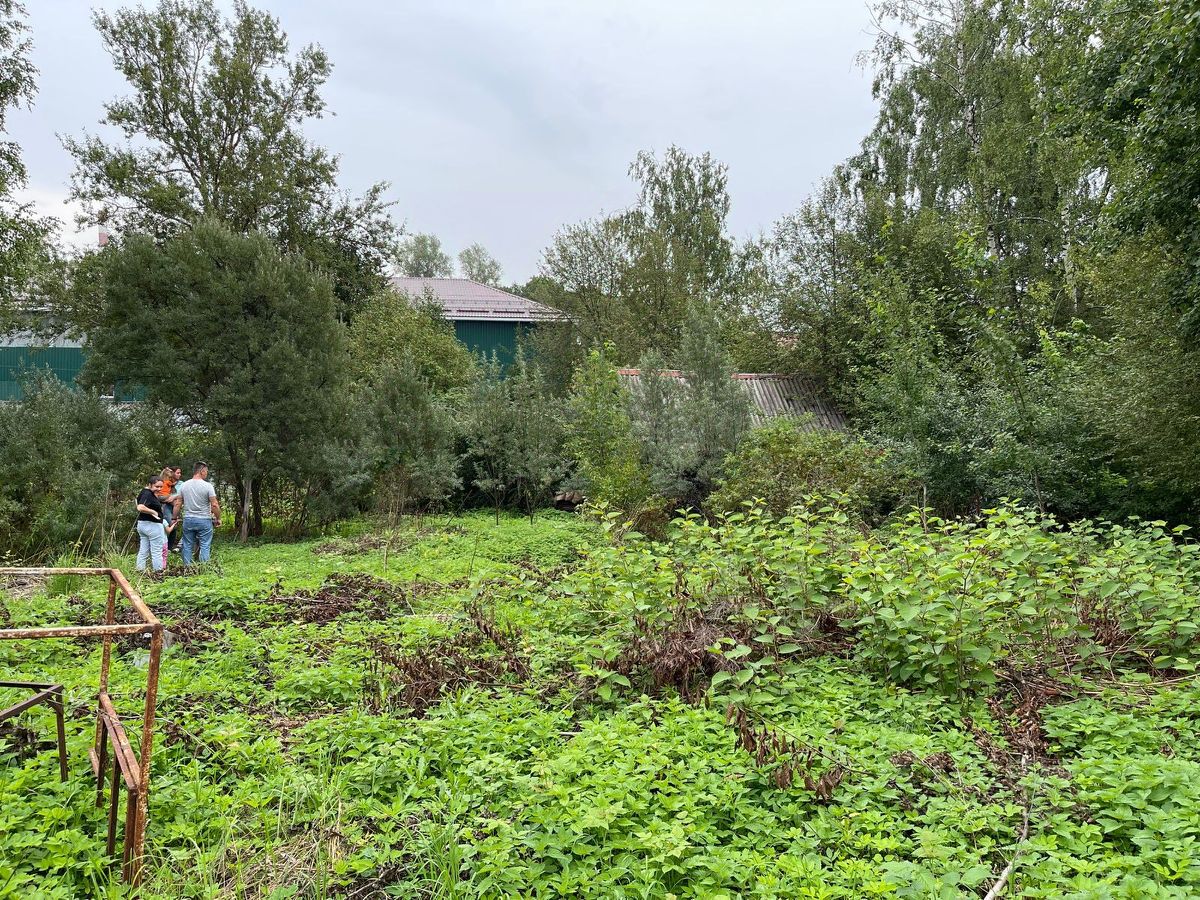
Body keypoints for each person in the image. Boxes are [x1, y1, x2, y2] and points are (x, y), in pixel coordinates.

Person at [175, 461, 221, 565]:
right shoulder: (208, 486)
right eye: (206, 471)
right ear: (202, 471)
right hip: (204, 520)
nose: (206, 473)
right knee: (205, 544)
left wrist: (174, 517)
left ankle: (187, 568)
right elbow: (214, 505)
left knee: (187, 544)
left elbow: (178, 504)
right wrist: (218, 518)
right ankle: (204, 569)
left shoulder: (184, 485)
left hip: (188, 519)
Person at [135, 475, 167, 573]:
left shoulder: (145, 492)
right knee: (157, 551)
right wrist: (154, 512)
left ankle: (140, 571)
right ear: (150, 485)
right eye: (157, 486)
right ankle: (158, 573)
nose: (159, 489)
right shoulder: (148, 493)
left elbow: (137, 502)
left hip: (142, 525)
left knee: (143, 551)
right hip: (152, 525)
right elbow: (140, 507)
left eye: (161, 487)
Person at [156, 466, 181, 551]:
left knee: (173, 527)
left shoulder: (181, 484)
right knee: (169, 526)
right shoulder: (163, 482)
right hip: (165, 506)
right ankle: (164, 548)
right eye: (177, 473)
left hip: (173, 508)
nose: (179, 475)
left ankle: (169, 548)